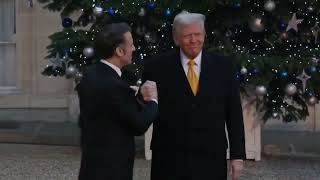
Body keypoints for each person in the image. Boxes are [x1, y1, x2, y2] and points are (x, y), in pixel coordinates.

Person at [142, 11, 246, 180]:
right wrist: (141, 97)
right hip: (169, 157)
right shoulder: (156, 67)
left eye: (198, 34)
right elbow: (146, 107)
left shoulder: (224, 67)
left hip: (211, 156)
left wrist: (237, 156)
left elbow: (234, 114)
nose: (193, 40)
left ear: (204, 35)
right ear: (176, 38)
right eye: (187, 35)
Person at [77, 22, 158, 180]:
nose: (134, 49)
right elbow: (139, 125)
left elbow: (114, 109)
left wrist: (138, 96)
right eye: (131, 45)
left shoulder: (90, 75)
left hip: (91, 163)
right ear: (120, 51)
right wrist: (153, 100)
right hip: (112, 169)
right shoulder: (116, 86)